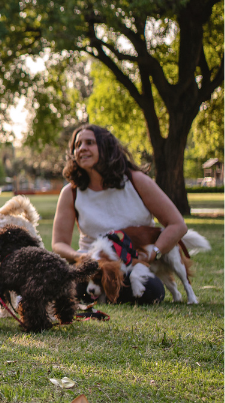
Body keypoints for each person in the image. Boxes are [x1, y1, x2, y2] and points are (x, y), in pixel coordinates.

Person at [51, 123, 186, 304]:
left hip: (132, 266)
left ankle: (107, 294)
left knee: (150, 291)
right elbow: (59, 243)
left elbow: (178, 225)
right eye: (77, 145)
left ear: (106, 148)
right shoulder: (71, 192)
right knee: (69, 286)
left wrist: (154, 252)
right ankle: (101, 292)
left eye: (89, 142)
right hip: (93, 269)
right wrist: (79, 257)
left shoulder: (137, 181)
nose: (82, 148)